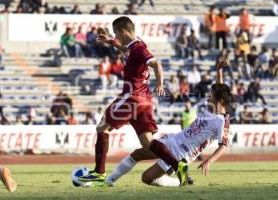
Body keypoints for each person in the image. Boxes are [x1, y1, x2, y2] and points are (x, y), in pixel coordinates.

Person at [94, 59, 231, 187]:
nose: (208, 96)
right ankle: (108, 181)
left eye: (211, 95)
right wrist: (219, 70)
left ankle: (181, 180)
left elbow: (223, 145)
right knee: (138, 153)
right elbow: (220, 89)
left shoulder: (221, 121)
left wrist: (209, 161)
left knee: (147, 178)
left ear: (220, 101)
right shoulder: (211, 108)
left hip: (183, 154)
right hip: (174, 139)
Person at [78, 16, 165, 183]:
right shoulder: (135, 46)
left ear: (122, 31)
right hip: (144, 100)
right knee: (148, 146)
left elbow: (156, 64)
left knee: (102, 127)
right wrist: (110, 41)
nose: (115, 36)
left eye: (116, 33)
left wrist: (160, 84)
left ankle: (99, 173)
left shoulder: (139, 48)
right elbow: (125, 50)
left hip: (132, 97)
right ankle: (175, 159)